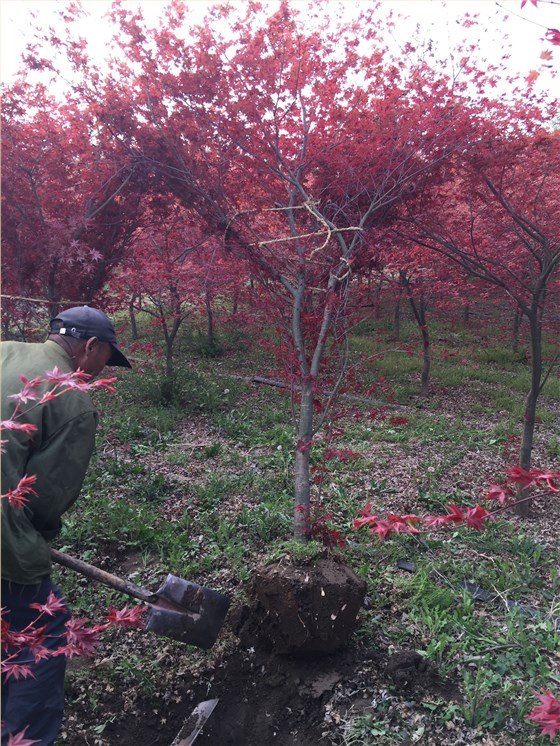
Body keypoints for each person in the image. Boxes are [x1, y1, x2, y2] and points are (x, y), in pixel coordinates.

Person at [1, 306, 131, 745]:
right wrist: (32, 541)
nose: (99, 372)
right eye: (105, 359)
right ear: (89, 348)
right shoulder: (71, 400)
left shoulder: (4, 352)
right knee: (41, 637)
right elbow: (45, 499)